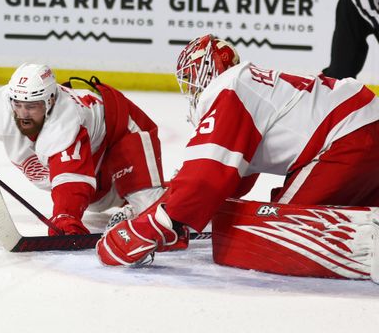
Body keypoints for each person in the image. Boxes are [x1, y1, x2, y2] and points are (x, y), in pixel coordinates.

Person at [98, 34, 379, 267]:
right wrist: (158, 213)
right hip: (362, 127)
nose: (190, 88)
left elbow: (204, 179)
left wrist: (147, 228)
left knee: (276, 234)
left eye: (190, 76)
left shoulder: (228, 89)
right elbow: (229, 184)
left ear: (205, 70)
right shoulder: (249, 85)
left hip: (349, 138)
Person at [0, 63, 168, 236]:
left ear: (50, 101)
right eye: (18, 105)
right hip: (95, 148)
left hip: (124, 129)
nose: (23, 114)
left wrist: (65, 216)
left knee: (151, 213)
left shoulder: (66, 119)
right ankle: (164, 192)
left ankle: (183, 195)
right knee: (99, 203)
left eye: (32, 106)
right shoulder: (0, 105)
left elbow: (71, 179)